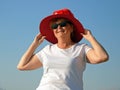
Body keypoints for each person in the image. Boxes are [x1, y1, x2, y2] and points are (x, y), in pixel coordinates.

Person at [17, 8, 109, 90]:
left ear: (72, 27)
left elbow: (102, 57)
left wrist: (90, 38)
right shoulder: (47, 50)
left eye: (63, 24)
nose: (59, 28)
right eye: (54, 26)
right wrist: (34, 44)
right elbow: (22, 66)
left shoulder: (81, 49)